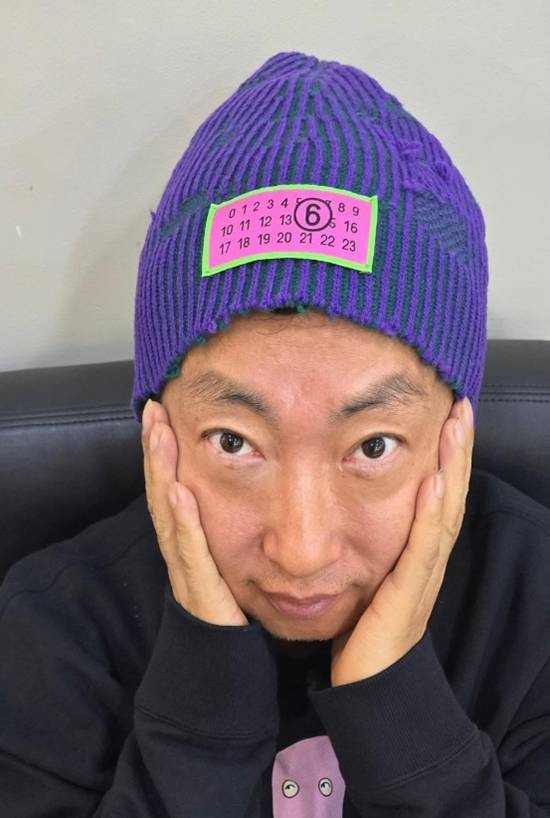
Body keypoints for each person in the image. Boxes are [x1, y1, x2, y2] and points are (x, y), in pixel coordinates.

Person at [1, 49, 550, 818]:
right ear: (159, 431)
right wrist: (201, 725)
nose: (302, 551)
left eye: (373, 446)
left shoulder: (533, 613)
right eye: (234, 442)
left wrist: (400, 717)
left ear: (452, 434)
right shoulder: (49, 641)